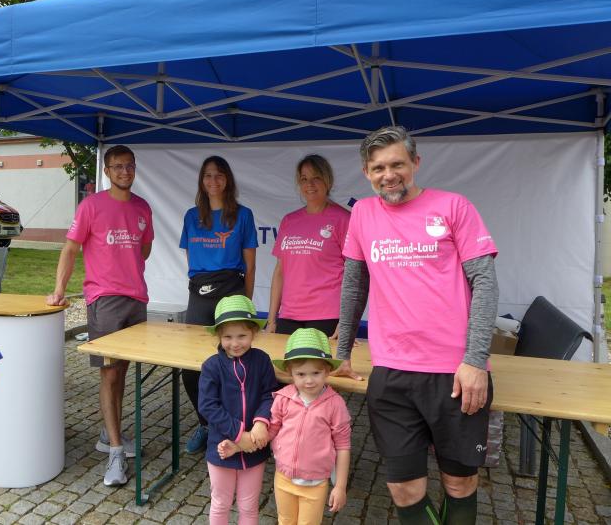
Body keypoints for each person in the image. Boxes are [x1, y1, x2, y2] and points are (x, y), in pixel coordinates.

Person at [333, 125, 499, 524]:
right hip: (391, 373)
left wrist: (475, 361)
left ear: (416, 163)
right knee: (404, 489)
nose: (388, 175)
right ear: (366, 172)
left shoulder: (454, 206)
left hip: (455, 373)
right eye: (378, 168)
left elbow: (485, 283)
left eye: (397, 165)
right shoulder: (363, 214)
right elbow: (354, 286)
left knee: (460, 483)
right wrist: (342, 352)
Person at [46, 144, 154, 487]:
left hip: (136, 299)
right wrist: (59, 290)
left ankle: (111, 435)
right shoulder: (91, 205)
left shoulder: (142, 207)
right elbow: (70, 249)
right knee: (109, 373)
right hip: (104, 300)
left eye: (129, 166)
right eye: (117, 166)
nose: (125, 171)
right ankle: (115, 452)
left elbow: (145, 247)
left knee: (121, 371)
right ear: (106, 171)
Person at [219, 328, 352, 524]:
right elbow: (270, 431)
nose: (309, 380)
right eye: (301, 374)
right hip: (283, 478)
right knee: (285, 521)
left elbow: (343, 446)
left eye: (316, 373)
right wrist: (238, 446)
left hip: (315, 483)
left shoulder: (335, 404)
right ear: (290, 373)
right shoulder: (283, 398)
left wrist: (340, 486)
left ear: (327, 371)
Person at [179, 155, 258, 454]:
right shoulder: (191, 216)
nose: (213, 181)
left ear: (228, 180)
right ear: (202, 180)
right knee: (191, 367)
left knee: (234, 361)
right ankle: (205, 424)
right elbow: (191, 261)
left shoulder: (243, 215)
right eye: (208, 175)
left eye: (219, 175)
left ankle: (234, 427)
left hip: (232, 291)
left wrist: (245, 304)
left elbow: (250, 266)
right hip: (200, 293)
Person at [198, 295, 278, 525]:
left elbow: (270, 394)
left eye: (242, 336)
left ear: (253, 332)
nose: (235, 343)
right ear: (219, 336)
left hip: (255, 447)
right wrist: (238, 433)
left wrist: (261, 423)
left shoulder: (262, 361)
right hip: (221, 448)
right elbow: (208, 406)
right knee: (220, 504)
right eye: (228, 337)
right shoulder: (212, 366)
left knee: (249, 506)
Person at [266, 155, 350, 338]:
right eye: (304, 179)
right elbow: (280, 271)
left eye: (316, 178)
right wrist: (271, 320)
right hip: (289, 315)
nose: (309, 184)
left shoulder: (343, 219)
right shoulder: (289, 220)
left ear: (328, 180)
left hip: (327, 315)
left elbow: (355, 274)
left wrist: (346, 321)